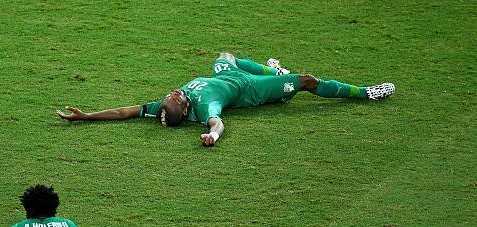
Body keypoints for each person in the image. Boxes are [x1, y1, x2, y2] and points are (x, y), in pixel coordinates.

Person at [57, 52, 395, 147]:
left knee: (225, 53)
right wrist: (212, 136)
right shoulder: (205, 109)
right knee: (307, 81)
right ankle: (366, 92)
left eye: (172, 95)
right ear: (186, 110)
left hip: (226, 72)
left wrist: (85, 116)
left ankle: (275, 73)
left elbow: (123, 112)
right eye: (177, 97)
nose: (175, 92)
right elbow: (218, 122)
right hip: (251, 89)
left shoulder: (164, 108)